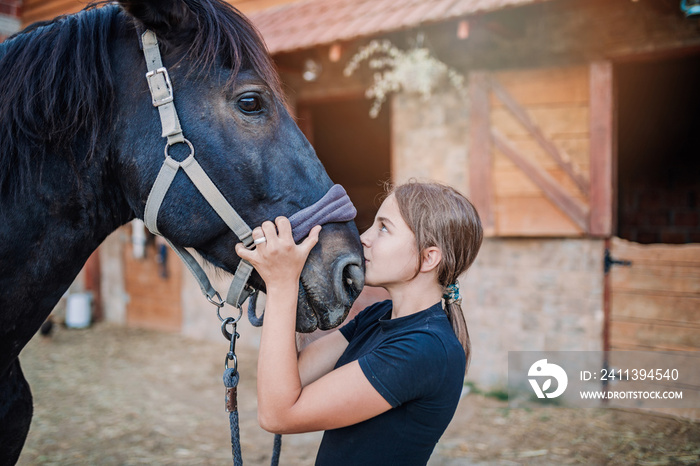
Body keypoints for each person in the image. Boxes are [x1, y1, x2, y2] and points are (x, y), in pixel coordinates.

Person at [235, 180, 483, 465]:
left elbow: (278, 414)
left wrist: (281, 284)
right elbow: (291, 379)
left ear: (428, 258)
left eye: (384, 228)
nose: (364, 237)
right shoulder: (377, 316)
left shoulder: (425, 349)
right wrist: (290, 277)